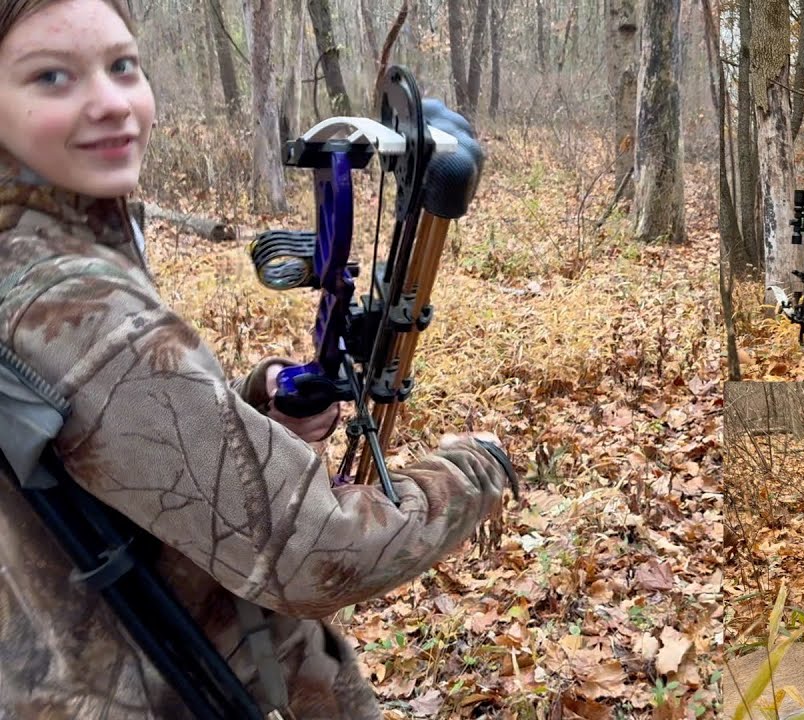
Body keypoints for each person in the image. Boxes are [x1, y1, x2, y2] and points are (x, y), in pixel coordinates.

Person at [0, 1, 514, 718]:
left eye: (122, 65)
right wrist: (476, 466)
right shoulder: (76, 306)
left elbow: (97, 442)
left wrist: (247, 408)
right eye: (53, 77)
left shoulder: (44, 258)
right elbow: (317, 548)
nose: (111, 103)